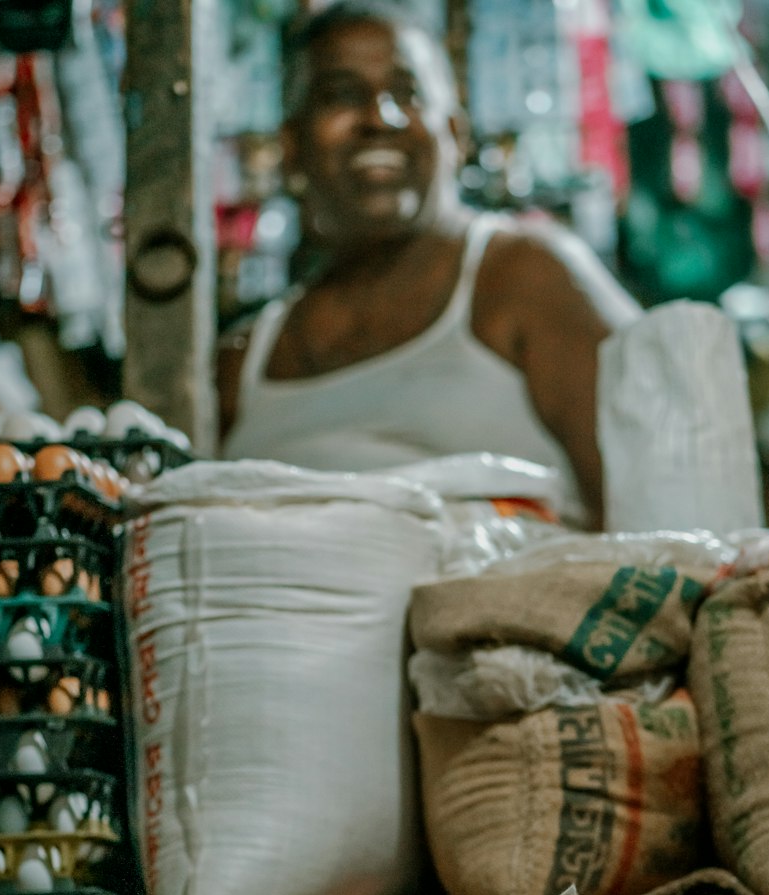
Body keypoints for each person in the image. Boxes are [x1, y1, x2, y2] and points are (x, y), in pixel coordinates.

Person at [217, 0, 641, 528]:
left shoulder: (526, 278)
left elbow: (659, 504)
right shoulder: (243, 366)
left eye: (408, 94)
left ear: (456, 135)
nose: (380, 119)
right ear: (292, 147)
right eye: (341, 96)